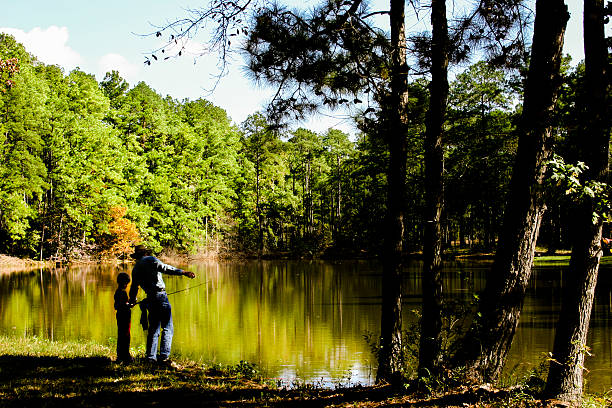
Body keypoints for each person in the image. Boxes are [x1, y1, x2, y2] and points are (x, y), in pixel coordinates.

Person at [128, 245, 195, 364]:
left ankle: (151, 357)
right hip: (160, 296)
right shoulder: (151, 260)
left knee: (153, 328)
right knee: (168, 327)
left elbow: (134, 287)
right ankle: (163, 356)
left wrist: (132, 300)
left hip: (150, 298)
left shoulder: (136, 268)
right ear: (145, 253)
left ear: (137, 256)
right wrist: (183, 272)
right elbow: (166, 268)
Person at [114, 272, 133, 363]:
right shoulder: (122, 292)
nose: (126, 285)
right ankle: (125, 355)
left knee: (121, 335)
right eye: (126, 283)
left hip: (120, 316)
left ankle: (121, 355)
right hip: (124, 316)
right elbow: (122, 305)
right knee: (125, 335)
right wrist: (130, 304)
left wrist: (128, 304)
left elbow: (116, 305)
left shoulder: (117, 291)